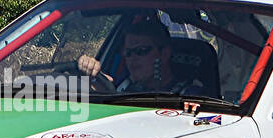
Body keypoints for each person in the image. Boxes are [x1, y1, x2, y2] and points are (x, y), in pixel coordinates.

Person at [77, 18, 208, 94]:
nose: (132, 58)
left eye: (141, 51)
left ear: (164, 54)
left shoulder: (190, 94)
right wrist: (92, 75)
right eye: (127, 53)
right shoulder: (123, 84)